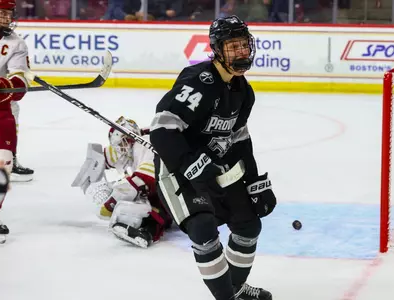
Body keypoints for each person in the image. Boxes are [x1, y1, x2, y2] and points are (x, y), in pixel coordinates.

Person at [150, 15, 276, 300]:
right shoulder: (199, 82)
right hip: (176, 169)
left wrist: (255, 182)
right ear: (218, 49)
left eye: (244, 45)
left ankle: (233, 288)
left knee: (249, 224)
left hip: (213, 169)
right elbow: (161, 130)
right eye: (234, 47)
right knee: (203, 229)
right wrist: (188, 163)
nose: (241, 52)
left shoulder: (243, 91)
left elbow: (240, 140)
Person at [72, 116, 173, 248]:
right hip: (170, 182)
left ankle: (147, 231)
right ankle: (145, 226)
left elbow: (145, 178)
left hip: (175, 184)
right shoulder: (135, 141)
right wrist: (95, 162)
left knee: (154, 204)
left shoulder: (145, 144)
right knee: (148, 199)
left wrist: (112, 203)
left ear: (129, 139)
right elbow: (110, 155)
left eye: (122, 143)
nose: (120, 148)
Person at [0, 0, 31, 241]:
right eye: (1, 14)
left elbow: (21, 81)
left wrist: (4, 85)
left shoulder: (16, 43)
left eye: (9, 14)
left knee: (2, 162)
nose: (6, 19)